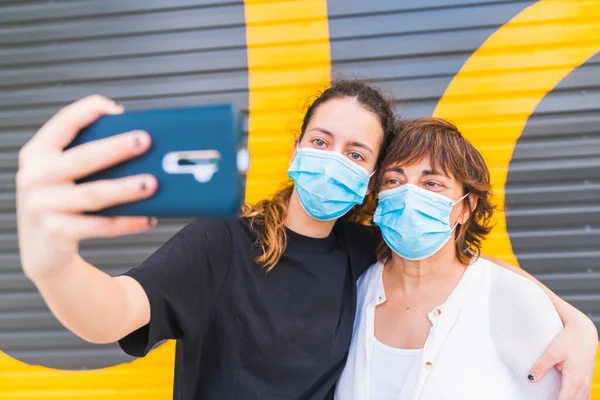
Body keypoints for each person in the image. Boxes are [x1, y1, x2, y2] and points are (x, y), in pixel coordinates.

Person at [16, 82, 596, 400]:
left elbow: (462, 268)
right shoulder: (223, 240)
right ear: (296, 149)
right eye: (321, 140)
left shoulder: (367, 250)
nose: (332, 159)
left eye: (356, 153)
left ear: (369, 179)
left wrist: (576, 323)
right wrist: (53, 263)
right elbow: (113, 313)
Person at [335, 118, 595, 400]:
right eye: (394, 181)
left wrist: (584, 327)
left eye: (432, 183)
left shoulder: (510, 297)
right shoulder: (355, 290)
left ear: (465, 208)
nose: (409, 196)